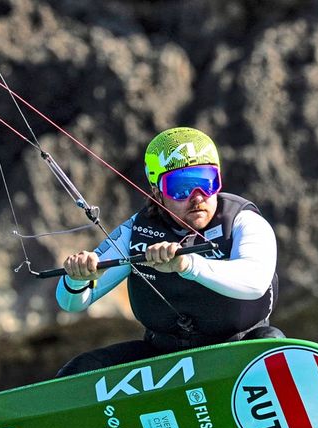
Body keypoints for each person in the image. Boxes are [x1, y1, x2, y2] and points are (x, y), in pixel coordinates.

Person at [55, 127, 284, 377]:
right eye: (181, 187)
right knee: (81, 369)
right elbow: (72, 304)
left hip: (239, 350)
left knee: (273, 344)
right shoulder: (136, 231)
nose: (197, 197)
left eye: (206, 182)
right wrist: (77, 280)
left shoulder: (244, 221)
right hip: (163, 357)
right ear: (157, 192)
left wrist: (187, 265)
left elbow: (255, 283)